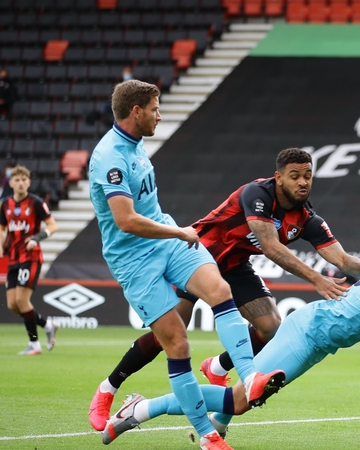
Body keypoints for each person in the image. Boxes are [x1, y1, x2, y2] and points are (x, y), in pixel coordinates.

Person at [88, 147, 360, 432]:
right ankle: (108, 388)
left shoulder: (306, 218)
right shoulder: (257, 194)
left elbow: (342, 259)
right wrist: (316, 278)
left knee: (270, 326)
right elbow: (271, 247)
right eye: (295, 176)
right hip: (196, 257)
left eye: (308, 176)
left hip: (234, 267)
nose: (303, 182)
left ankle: (218, 366)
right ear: (278, 178)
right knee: (167, 337)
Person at [98, 233, 360, 445]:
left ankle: (216, 421)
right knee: (240, 400)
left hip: (317, 340)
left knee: (242, 401)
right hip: (308, 332)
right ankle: (139, 409)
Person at [88, 79, 282, 450]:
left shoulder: (136, 143)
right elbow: (126, 220)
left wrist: (173, 233)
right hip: (134, 259)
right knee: (176, 343)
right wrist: (178, 232)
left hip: (166, 240)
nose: (160, 115)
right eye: (155, 109)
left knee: (220, 290)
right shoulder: (110, 157)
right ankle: (207, 435)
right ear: (136, 112)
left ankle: (250, 376)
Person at [0, 165, 58, 355]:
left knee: (22, 300)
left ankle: (34, 344)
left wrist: (37, 238)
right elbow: (2, 228)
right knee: (13, 305)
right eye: (17, 180)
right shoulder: (6, 204)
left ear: (29, 182)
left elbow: (53, 226)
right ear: (11, 183)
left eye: (24, 180)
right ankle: (47, 324)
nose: (21, 183)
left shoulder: (36, 203)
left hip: (31, 257)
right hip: (13, 258)